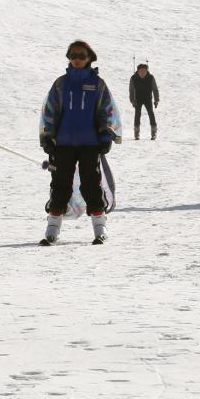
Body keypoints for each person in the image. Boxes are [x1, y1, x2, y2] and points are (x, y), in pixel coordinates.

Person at [39, 40, 121, 245]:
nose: (76, 60)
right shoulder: (61, 83)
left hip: (90, 143)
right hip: (63, 143)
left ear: (89, 58)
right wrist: (47, 137)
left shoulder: (97, 84)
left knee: (92, 184)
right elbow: (50, 110)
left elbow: (106, 111)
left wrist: (106, 137)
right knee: (60, 185)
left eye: (81, 56)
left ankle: (99, 228)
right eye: (73, 56)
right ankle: (52, 230)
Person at [129, 63, 159, 140]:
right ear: (138, 71)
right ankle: (136, 133)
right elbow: (131, 90)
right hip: (138, 99)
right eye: (141, 71)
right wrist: (132, 100)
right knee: (137, 114)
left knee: (151, 114)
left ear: (147, 71)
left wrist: (156, 99)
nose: (142, 73)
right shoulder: (133, 78)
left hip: (148, 99)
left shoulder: (151, 78)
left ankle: (154, 132)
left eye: (144, 71)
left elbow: (155, 89)